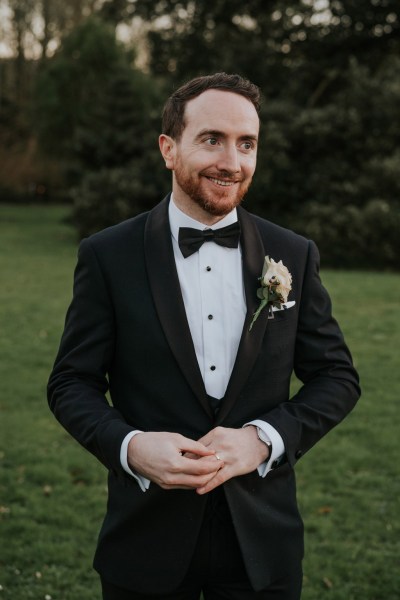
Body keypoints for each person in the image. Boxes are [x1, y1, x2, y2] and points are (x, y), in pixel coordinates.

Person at [48, 72, 360, 600]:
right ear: (169, 149)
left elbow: (337, 376)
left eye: (247, 144)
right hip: (145, 541)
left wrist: (262, 440)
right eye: (212, 139)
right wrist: (131, 447)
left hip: (263, 547)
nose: (232, 163)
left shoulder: (295, 254)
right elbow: (71, 382)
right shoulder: (107, 256)